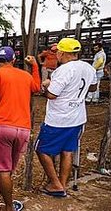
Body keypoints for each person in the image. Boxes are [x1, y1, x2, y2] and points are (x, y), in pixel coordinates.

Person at [0, 46, 41, 211]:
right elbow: (37, 88)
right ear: (14, 60)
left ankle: (9, 208)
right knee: (7, 169)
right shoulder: (25, 75)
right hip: (23, 128)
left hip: (2, 127)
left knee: (3, 170)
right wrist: (35, 66)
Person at [37, 38, 97, 197]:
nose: (56, 54)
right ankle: (62, 184)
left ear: (62, 52)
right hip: (77, 117)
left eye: (57, 51)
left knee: (41, 150)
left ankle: (56, 184)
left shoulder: (63, 70)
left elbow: (51, 95)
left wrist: (45, 86)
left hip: (58, 119)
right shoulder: (88, 67)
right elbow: (93, 87)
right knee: (67, 151)